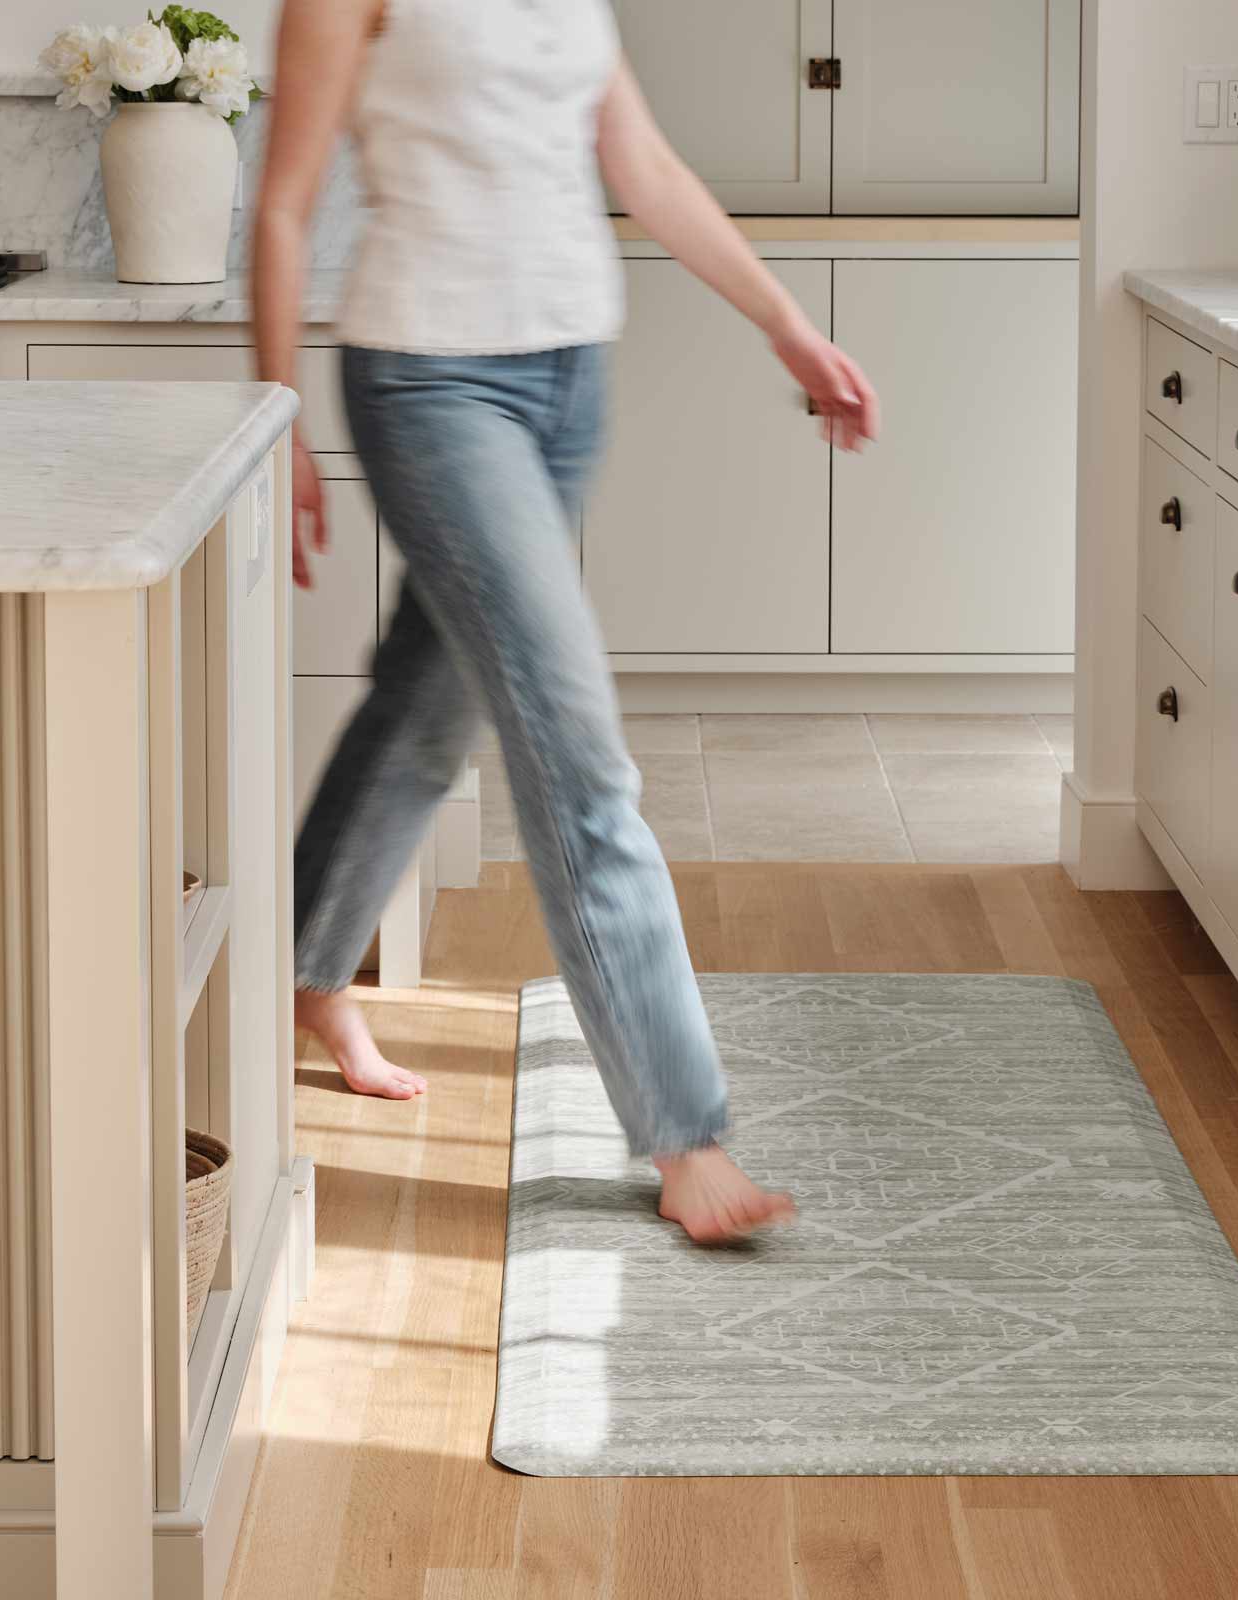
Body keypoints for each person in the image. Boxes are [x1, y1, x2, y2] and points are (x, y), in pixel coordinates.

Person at [253, 0, 879, 1244]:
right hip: (428, 376)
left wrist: (786, 323)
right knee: (574, 749)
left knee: (431, 705)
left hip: (569, 371)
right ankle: (683, 1130)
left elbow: (640, 166)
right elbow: (284, 200)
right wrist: (276, 417)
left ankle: (307, 970)